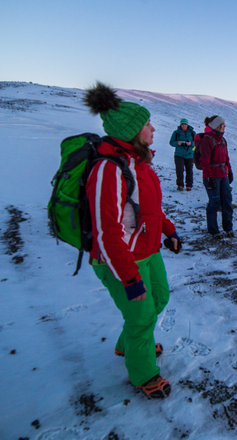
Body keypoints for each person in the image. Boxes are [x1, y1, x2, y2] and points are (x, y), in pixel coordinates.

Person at [83, 82, 181, 399]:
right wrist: (129, 277)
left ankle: (130, 344)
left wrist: (169, 230)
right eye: (147, 124)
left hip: (148, 251)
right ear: (132, 131)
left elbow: (151, 209)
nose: (153, 128)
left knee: (160, 299)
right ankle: (144, 376)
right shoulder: (109, 170)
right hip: (122, 260)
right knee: (141, 316)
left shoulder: (138, 163)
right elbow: (107, 231)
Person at [198, 115, 234, 238]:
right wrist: (208, 177)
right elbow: (204, 161)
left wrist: (229, 172)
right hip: (212, 176)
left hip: (223, 174)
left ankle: (228, 228)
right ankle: (213, 230)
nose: (225, 126)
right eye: (223, 124)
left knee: (227, 201)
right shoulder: (207, 140)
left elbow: (226, 158)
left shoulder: (222, 140)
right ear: (217, 126)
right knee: (214, 202)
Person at [169, 118, 196, 191]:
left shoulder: (192, 133)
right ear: (180, 124)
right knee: (179, 170)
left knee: (189, 170)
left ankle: (189, 185)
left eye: (185, 124)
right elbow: (171, 142)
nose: (184, 125)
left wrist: (190, 144)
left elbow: (197, 143)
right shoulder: (176, 133)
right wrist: (177, 143)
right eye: (182, 124)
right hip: (179, 154)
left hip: (189, 154)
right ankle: (180, 185)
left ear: (187, 125)